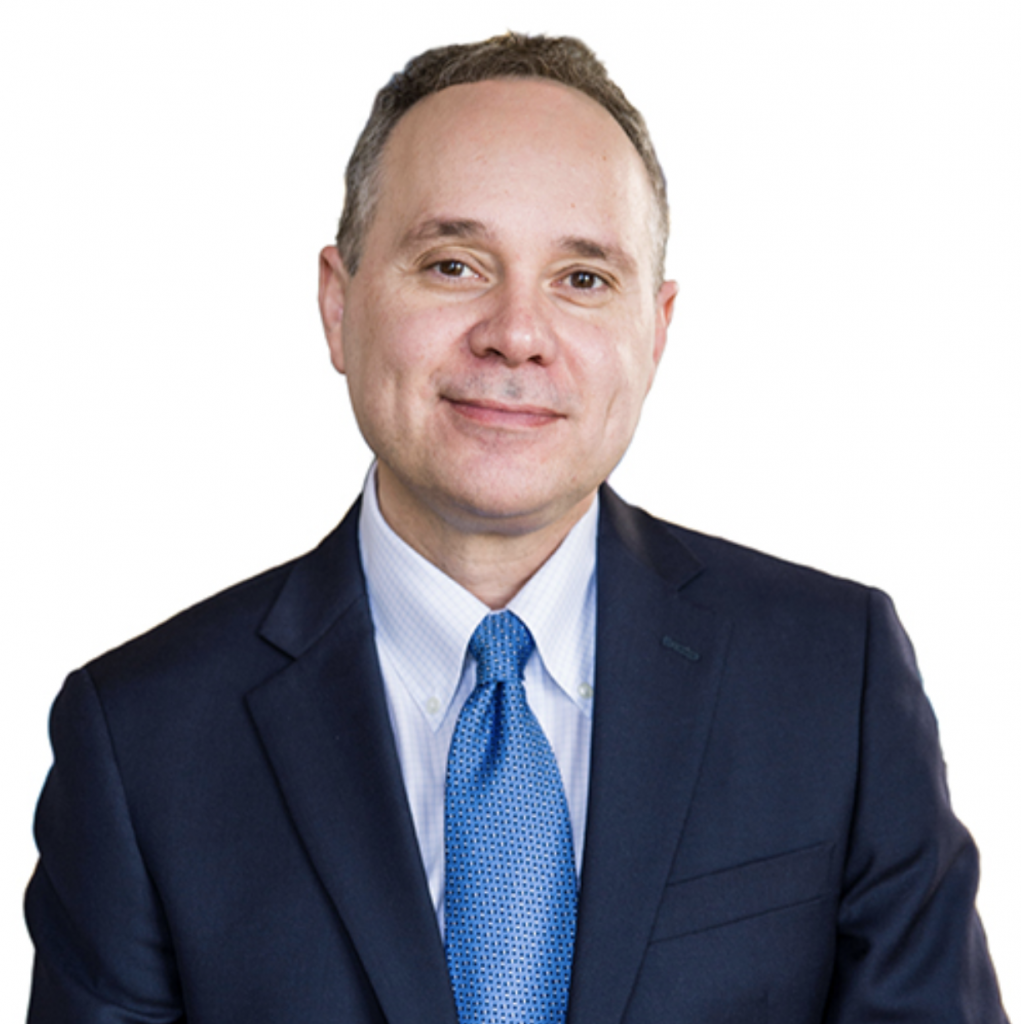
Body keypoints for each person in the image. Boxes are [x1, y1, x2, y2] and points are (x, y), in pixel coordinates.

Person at [25, 32, 1008, 1024]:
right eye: (453, 264)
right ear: (338, 304)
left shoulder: (834, 678)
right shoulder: (141, 740)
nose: (517, 332)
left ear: (656, 330)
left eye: (583, 279)